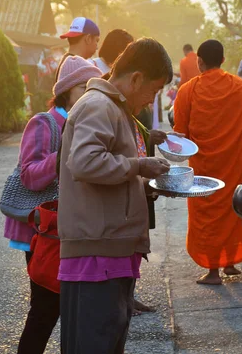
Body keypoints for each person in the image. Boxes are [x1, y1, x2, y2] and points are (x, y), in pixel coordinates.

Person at [57, 38, 172, 354]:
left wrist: (146, 182)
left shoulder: (116, 109)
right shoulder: (99, 106)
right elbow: (85, 162)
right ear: (135, 79)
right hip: (96, 256)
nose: (150, 101)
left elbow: (114, 172)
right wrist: (139, 165)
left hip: (112, 251)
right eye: (152, 91)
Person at [3, 57, 102, 354]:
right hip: (40, 231)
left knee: (66, 307)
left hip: (65, 228)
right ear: (67, 90)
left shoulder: (82, 121)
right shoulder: (45, 123)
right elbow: (30, 174)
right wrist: (63, 156)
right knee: (46, 309)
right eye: (84, 87)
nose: (89, 94)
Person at [173, 39, 242, 285]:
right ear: (223, 60)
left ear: (199, 61)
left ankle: (212, 271)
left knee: (208, 214)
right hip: (236, 163)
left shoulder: (188, 90)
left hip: (205, 166)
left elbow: (181, 133)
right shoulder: (241, 87)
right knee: (233, 208)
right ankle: (229, 262)